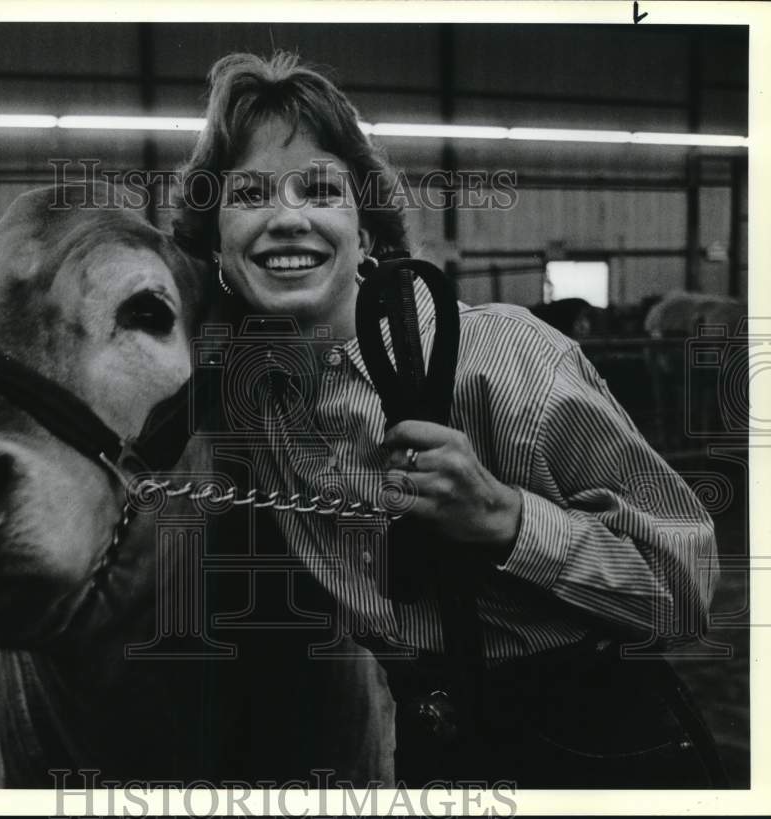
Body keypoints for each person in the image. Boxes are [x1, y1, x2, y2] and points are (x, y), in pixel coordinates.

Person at [173, 51, 726, 788]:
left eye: (319, 189)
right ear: (218, 246)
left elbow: (683, 592)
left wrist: (508, 519)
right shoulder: (255, 403)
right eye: (248, 194)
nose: (286, 217)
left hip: (597, 748)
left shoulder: (505, 357)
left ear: (365, 233)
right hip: (431, 744)